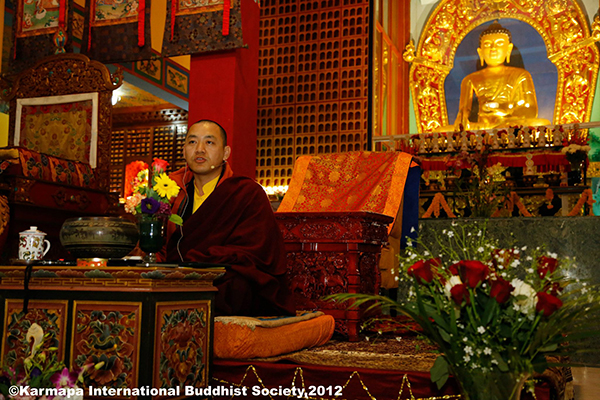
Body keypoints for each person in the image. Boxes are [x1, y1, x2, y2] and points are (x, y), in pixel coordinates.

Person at [162, 119, 295, 317]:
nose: (199, 149)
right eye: (192, 142)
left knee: (236, 286)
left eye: (209, 142)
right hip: (181, 276)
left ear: (225, 153)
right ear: (184, 150)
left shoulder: (246, 192)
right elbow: (166, 250)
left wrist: (202, 261)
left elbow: (256, 250)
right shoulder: (174, 195)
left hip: (225, 276)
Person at [449, 21, 550, 131]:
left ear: (509, 49)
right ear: (480, 52)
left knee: (542, 123)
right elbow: (463, 111)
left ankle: (499, 126)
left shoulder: (521, 74)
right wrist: (461, 120)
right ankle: (495, 127)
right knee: (441, 131)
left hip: (509, 122)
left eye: (499, 43)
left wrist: (506, 110)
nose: (493, 48)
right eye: (487, 44)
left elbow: (531, 110)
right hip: (482, 125)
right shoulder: (469, 79)